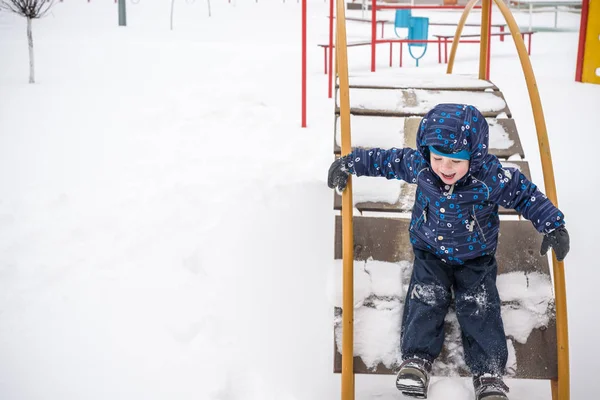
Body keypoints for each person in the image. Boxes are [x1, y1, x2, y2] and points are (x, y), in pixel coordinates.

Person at [327, 103, 570, 400]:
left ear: (474, 156)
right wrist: (350, 163)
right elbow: (386, 161)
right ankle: (416, 360)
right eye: (438, 158)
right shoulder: (422, 165)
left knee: (479, 305)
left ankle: (489, 374)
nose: (444, 168)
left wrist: (553, 225)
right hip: (429, 251)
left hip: (476, 257)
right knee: (426, 297)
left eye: (455, 161)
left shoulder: (490, 177)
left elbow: (524, 194)